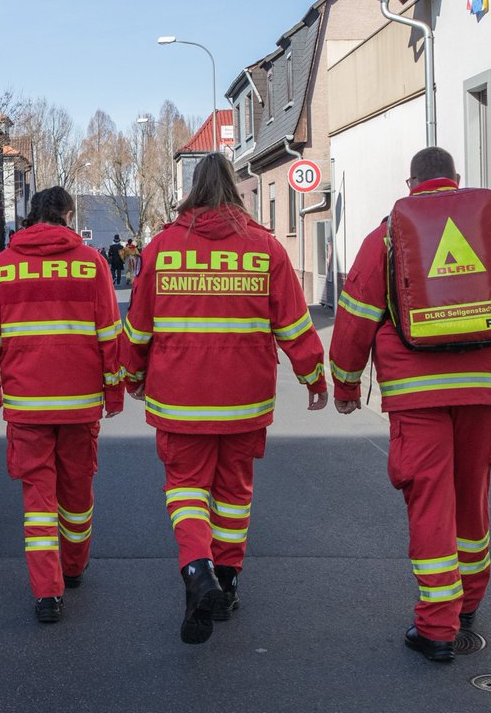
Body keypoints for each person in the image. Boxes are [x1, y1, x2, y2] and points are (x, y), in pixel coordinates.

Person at [330, 146, 491, 662]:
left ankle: (436, 626)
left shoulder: (387, 236)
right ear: (455, 180)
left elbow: (354, 315)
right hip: (484, 386)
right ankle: (468, 605)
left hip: (416, 394)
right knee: (471, 493)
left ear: (412, 183)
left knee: (430, 499)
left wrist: (346, 387)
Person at [123, 152, 328, 644]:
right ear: (236, 188)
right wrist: (315, 378)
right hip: (244, 400)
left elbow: (139, 325)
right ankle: (229, 581)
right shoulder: (266, 249)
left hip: (179, 399)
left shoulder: (162, 249)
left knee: (186, 489)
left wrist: (130, 375)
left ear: (193, 188)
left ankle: (197, 570)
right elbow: (295, 325)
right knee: (234, 493)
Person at [0, 187, 124, 624]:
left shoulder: (3, 267)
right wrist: (113, 391)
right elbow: (109, 334)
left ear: (32, 215)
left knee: (37, 496)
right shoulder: (91, 264)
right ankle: (74, 568)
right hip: (80, 403)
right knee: (77, 491)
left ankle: (47, 593)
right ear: (67, 215)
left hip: (27, 404)